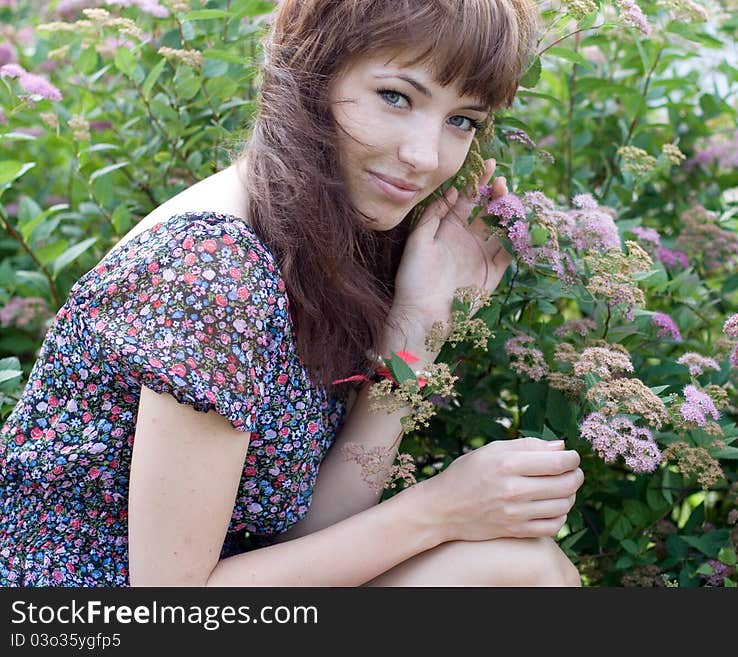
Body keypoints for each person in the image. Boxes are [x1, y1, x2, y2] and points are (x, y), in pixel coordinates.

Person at [0, 0, 584, 587]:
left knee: (523, 565)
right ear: (312, 72)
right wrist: (439, 510)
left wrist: (417, 327)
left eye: (462, 120)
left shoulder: (315, 241)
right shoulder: (214, 274)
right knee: (518, 571)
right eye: (396, 97)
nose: (425, 157)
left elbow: (314, 535)